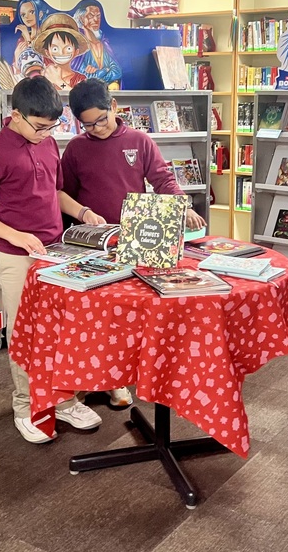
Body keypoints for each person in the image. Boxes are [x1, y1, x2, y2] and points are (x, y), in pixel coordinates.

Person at [0, 75, 108, 444]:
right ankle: (26, 406)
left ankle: (64, 401)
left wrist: (84, 211)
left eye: (52, 127)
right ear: (15, 115)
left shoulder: (48, 144)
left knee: (63, 331)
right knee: (24, 336)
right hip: (15, 258)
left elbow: (55, 191)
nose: (46, 133)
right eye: (40, 127)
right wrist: (15, 235)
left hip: (56, 253)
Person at [62, 79, 208, 408]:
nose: (95, 128)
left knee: (121, 317)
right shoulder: (75, 148)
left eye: (101, 119)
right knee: (91, 316)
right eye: (87, 124)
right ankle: (84, 380)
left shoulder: (138, 141)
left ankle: (115, 381)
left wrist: (182, 208)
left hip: (135, 239)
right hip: (94, 243)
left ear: (114, 107)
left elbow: (163, 179)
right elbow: (65, 193)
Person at [72, 0, 123, 89]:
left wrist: (99, 74)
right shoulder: (77, 43)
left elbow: (118, 71)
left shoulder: (103, 42)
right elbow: (81, 74)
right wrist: (106, 70)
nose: (96, 20)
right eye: (91, 16)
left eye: (98, 16)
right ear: (81, 18)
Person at [33, 13, 89, 91]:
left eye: (68, 48)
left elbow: (79, 98)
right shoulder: (44, 78)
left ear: (76, 52)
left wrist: (58, 81)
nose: (62, 52)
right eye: (55, 49)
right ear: (47, 52)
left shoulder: (80, 79)